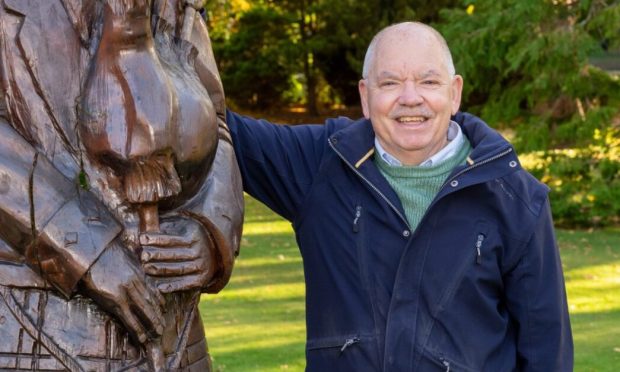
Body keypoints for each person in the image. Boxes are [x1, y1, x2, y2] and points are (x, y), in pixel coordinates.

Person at [226, 22, 573, 371]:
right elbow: (207, 127)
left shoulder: (514, 197)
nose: (410, 97)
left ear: (454, 93)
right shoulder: (321, 163)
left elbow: (547, 352)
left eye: (428, 81)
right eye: (390, 82)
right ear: (365, 96)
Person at [0, 0, 242, 371]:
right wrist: (84, 246)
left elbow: (218, 120)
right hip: (32, 321)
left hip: (177, 333)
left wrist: (210, 225)